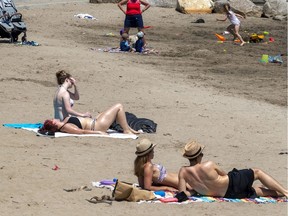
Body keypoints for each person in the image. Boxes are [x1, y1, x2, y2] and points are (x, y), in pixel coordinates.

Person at [178, 140, 288, 200]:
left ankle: (281, 193)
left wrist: (196, 190)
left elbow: (182, 194)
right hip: (231, 183)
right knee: (257, 172)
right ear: (199, 156)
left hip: (228, 195)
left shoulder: (183, 172)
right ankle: (286, 192)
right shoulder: (209, 164)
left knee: (258, 191)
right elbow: (226, 175)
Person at [39, 103, 140, 135]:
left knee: (104, 112)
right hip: (97, 126)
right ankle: (127, 130)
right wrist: (99, 133)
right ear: (54, 124)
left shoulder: (64, 122)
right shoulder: (66, 127)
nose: (54, 118)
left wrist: (84, 115)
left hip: (95, 122)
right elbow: (81, 131)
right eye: (53, 120)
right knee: (119, 106)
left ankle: (128, 128)